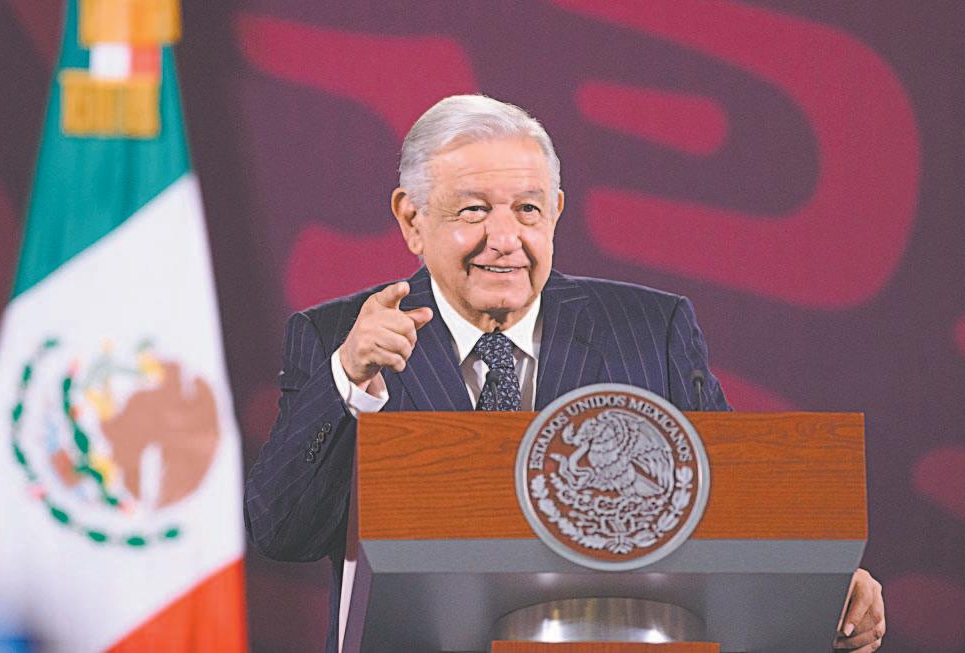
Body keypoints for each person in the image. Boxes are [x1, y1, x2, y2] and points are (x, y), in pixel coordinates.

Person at [244, 95, 885, 653]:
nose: (505, 238)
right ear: (413, 219)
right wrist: (348, 380)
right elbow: (283, 533)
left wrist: (824, 578)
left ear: (554, 211)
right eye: (473, 210)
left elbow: (733, 509)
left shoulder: (650, 330)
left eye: (527, 209)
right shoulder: (340, 339)